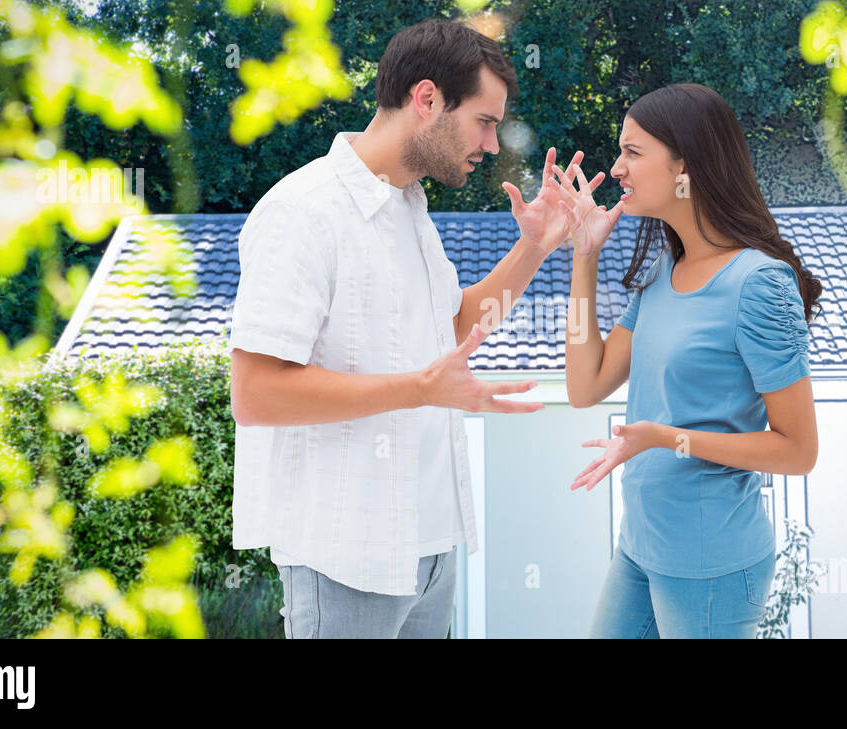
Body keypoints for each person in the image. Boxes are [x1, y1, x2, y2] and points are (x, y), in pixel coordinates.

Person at [228, 18, 583, 638]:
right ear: (427, 100)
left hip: (432, 550)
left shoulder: (408, 206)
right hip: (347, 557)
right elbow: (256, 394)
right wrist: (419, 389)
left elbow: (456, 328)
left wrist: (533, 249)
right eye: (484, 121)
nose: (491, 145)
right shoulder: (302, 212)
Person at [550, 83, 823, 638]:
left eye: (633, 152)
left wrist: (665, 437)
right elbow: (584, 386)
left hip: (710, 564)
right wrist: (585, 255)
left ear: (685, 167)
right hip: (640, 546)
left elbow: (799, 451)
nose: (617, 169)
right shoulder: (662, 273)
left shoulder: (758, 283)